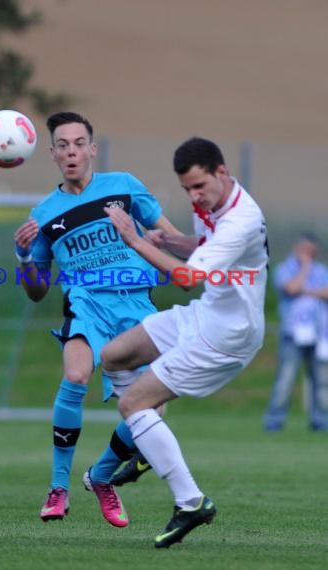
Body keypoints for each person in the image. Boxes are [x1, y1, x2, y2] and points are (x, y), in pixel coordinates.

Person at [84, 137, 268, 548]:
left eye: (199, 186)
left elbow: (187, 279)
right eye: (186, 189)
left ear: (222, 172)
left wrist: (135, 240)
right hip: (207, 313)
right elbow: (202, 250)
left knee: (134, 404)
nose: (193, 196)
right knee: (114, 355)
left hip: (229, 334)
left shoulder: (241, 220)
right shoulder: (212, 202)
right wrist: (172, 242)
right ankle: (149, 441)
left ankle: (191, 502)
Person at [13, 111, 182, 526]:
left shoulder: (124, 187)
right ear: (52, 154)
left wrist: (194, 259)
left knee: (152, 410)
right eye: (62, 146)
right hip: (86, 304)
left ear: (92, 148)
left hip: (136, 306)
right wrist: (21, 258)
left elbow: (170, 234)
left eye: (78, 143)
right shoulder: (45, 214)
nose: (71, 152)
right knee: (75, 375)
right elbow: (36, 290)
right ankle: (58, 488)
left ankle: (101, 476)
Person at [263, 233, 328, 432]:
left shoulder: (322, 270)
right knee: (285, 378)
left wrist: (305, 290)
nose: (310, 254)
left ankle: (321, 422)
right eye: (306, 250)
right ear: (298, 248)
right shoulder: (285, 268)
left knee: (322, 381)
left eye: (313, 251)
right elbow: (291, 288)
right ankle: (274, 421)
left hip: (319, 333)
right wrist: (305, 268)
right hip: (293, 333)